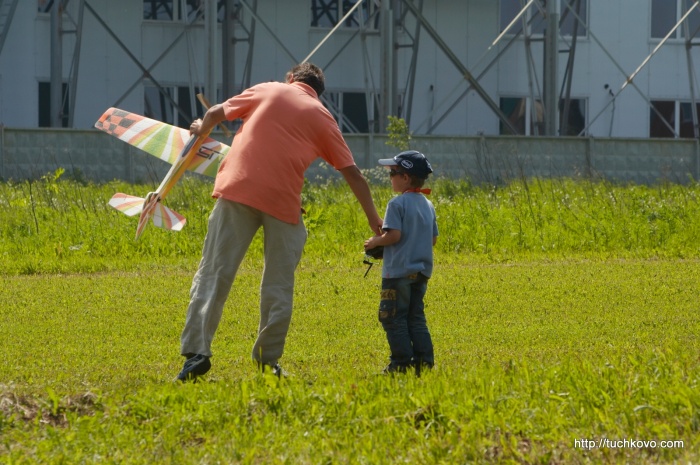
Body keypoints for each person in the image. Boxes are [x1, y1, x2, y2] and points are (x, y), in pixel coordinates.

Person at [177, 62, 383, 381]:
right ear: (318, 93)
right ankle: (267, 359)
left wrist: (199, 130)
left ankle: (196, 352)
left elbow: (216, 113)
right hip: (283, 202)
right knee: (278, 282)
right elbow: (353, 174)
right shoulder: (323, 117)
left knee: (215, 271)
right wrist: (375, 222)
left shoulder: (269, 88)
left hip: (237, 187)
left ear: (291, 78)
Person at [364, 150, 438, 375]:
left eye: (393, 173)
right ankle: (424, 363)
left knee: (393, 318)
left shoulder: (396, 204)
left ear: (405, 178)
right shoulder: (428, 204)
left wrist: (375, 241)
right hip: (421, 272)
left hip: (397, 275)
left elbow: (393, 236)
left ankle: (401, 364)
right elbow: (432, 239)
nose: (390, 178)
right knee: (415, 317)